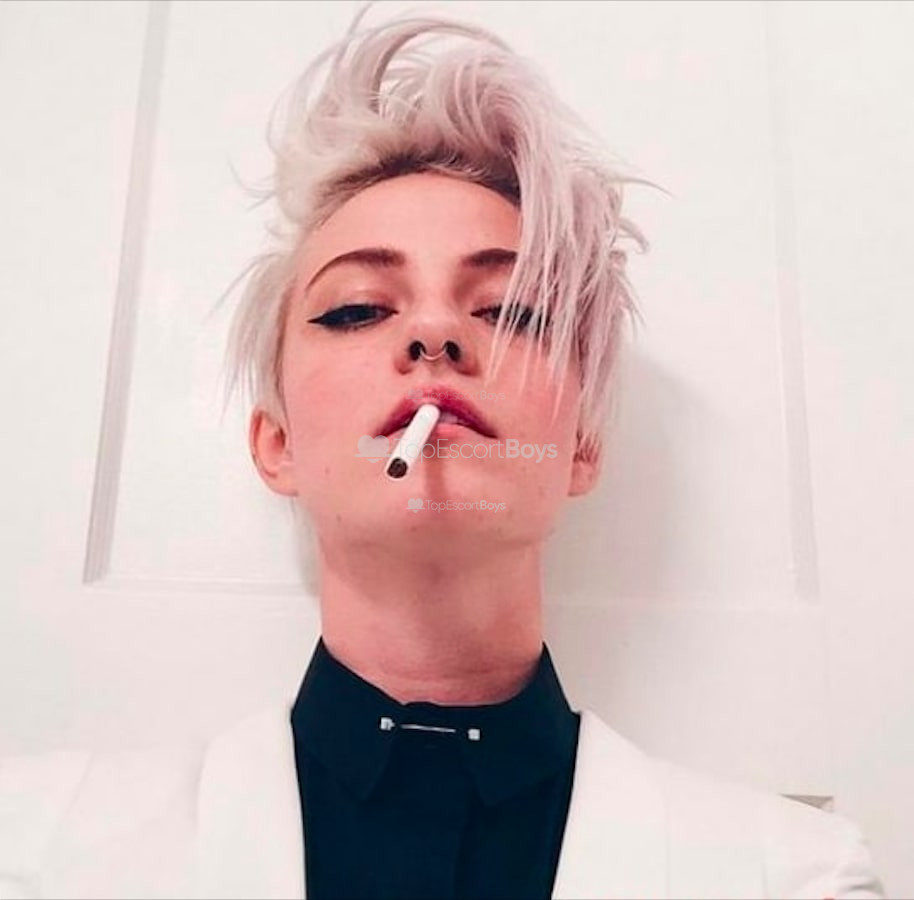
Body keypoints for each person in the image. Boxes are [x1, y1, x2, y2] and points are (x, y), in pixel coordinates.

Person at [0, 3, 886, 899]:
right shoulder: (34, 849)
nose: (434, 331)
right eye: (357, 308)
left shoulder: (800, 877)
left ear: (581, 446)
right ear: (278, 443)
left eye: (510, 310)